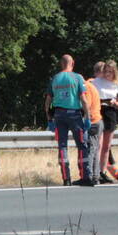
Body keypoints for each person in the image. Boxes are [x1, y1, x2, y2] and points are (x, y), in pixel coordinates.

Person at [44, 54, 91, 186]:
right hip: (75, 115)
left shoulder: (55, 78)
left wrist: (49, 119)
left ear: (61, 64)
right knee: (82, 145)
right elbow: (83, 99)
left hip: (59, 115)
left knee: (62, 146)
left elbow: (47, 102)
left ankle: (66, 178)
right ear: (73, 63)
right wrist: (87, 117)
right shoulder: (77, 78)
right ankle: (85, 176)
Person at [93, 60, 118, 184]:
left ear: (114, 72)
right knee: (99, 145)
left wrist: (115, 103)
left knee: (106, 146)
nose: (107, 74)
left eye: (110, 72)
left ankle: (103, 172)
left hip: (111, 113)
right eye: (105, 71)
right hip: (99, 111)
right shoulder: (97, 82)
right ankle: (96, 172)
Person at [83, 68, 103, 186]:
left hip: (93, 121)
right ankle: (96, 176)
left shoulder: (86, 87)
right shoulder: (91, 84)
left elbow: (87, 104)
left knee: (91, 149)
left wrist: (84, 119)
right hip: (97, 119)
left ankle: (89, 176)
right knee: (94, 149)